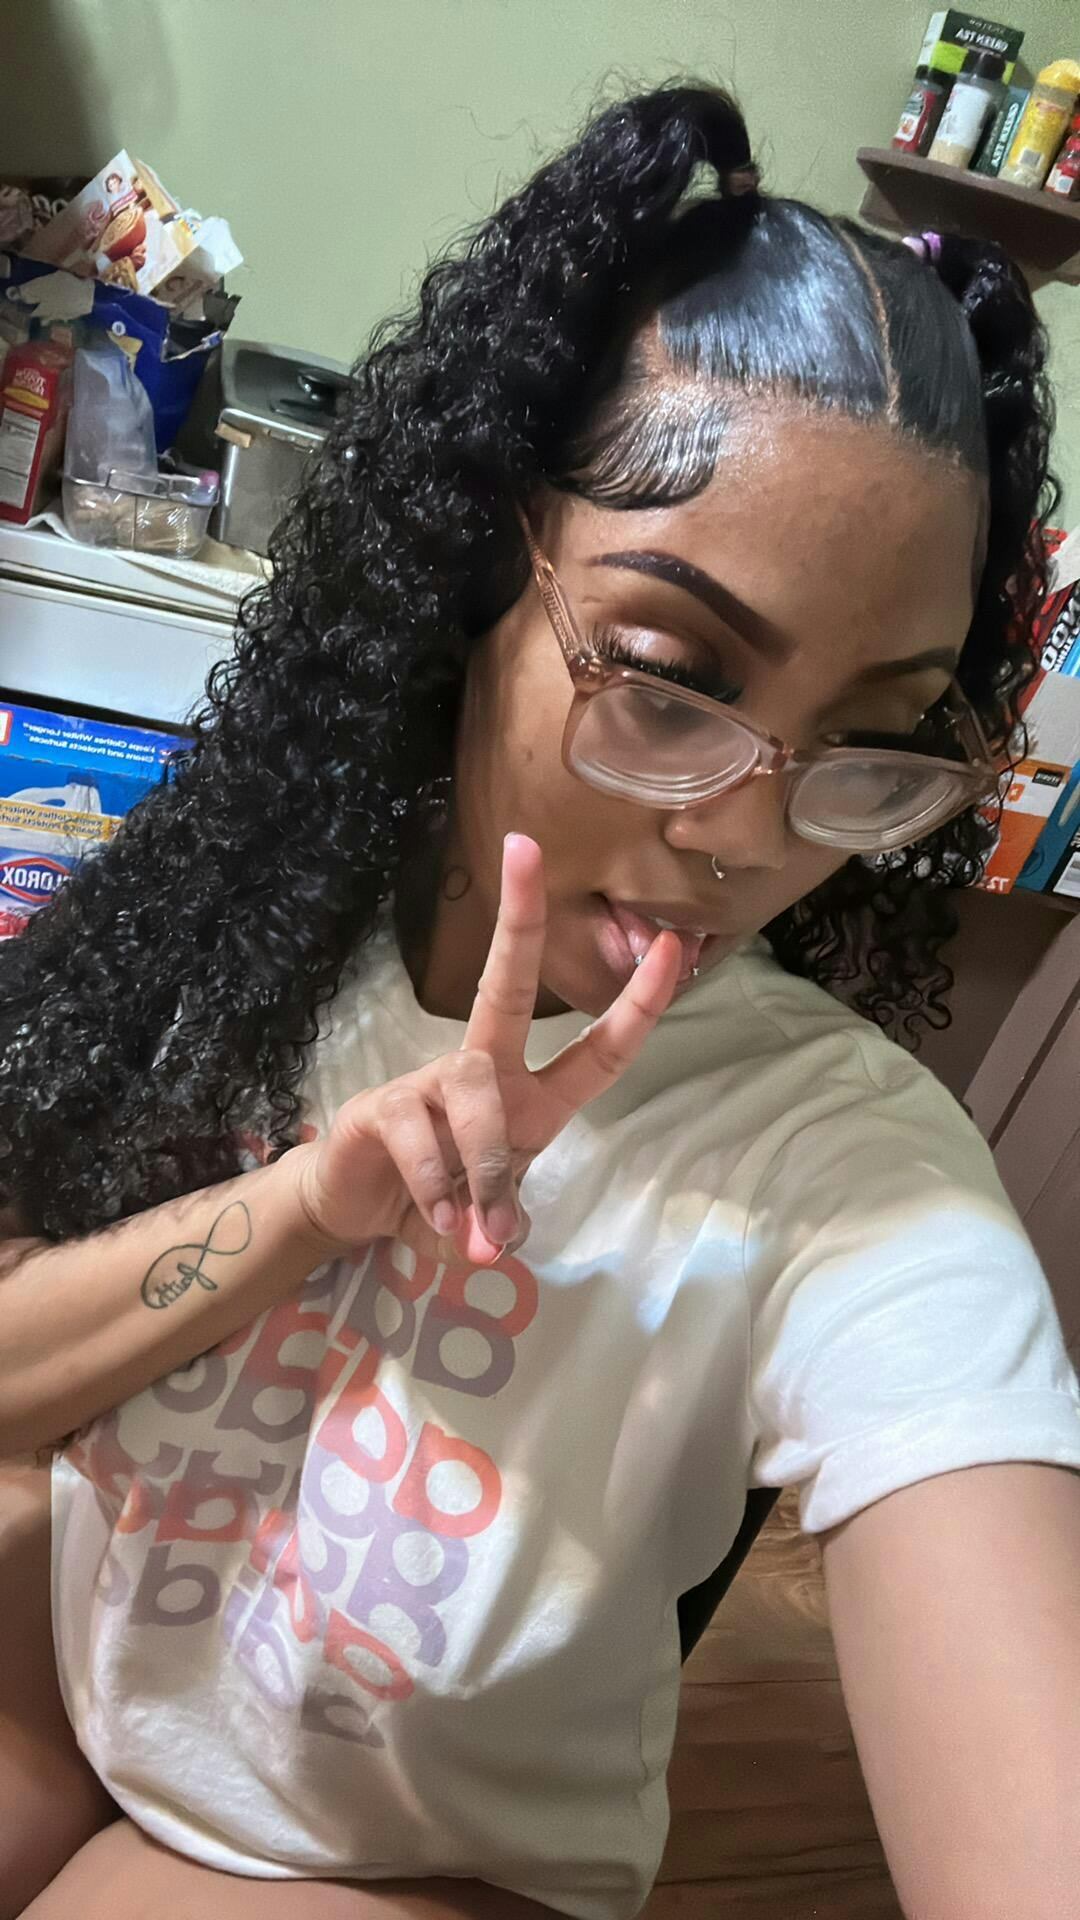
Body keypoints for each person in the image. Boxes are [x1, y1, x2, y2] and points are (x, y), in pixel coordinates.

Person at [1, 78, 1078, 1920]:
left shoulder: (842, 1168)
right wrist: (314, 1202)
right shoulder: (269, 909)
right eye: (668, 677)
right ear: (484, 564)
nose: (745, 837)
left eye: (873, 741)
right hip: (102, 1688)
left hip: (424, 1867)